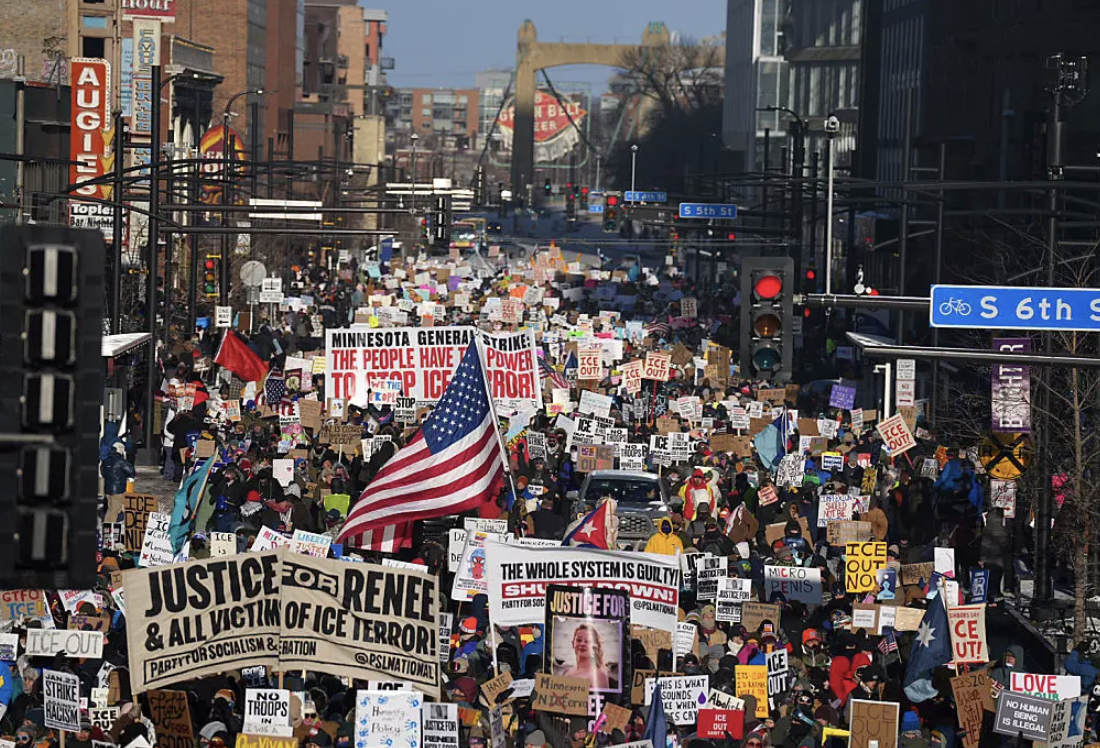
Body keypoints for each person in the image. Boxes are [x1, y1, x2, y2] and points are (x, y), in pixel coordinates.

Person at [560, 623, 612, 690]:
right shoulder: (566, 672)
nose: (582, 644)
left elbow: (605, 699)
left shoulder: (599, 676)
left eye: (587, 641)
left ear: (594, 647)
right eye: (579, 640)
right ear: (573, 643)